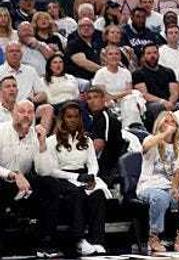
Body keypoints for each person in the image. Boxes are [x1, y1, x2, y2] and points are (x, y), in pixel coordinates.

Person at [36, 100, 108, 257]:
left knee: (98, 194)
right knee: (77, 193)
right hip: (62, 177)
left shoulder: (87, 140)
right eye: (69, 116)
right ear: (62, 119)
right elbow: (51, 170)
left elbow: (93, 164)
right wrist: (77, 177)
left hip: (84, 176)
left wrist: (91, 177)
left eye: (76, 116)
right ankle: (79, 240)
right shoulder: (51, 141)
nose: (73, 120)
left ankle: (97, 240)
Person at [137, 112, 179, 253]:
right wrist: (165, 134)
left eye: (172, 122)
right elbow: (146, 146)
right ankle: (153, 236)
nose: (170, 124)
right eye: (166, 121)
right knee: (161, 197)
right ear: (159, 124)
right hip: (149, 186)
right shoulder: (151, 139)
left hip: (169, 186)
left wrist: (175, 188)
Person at [0, 101, 49, 249]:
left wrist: (42, 143)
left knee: (50, 184)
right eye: (22, 111)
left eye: (30, 112)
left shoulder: (36, 135)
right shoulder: (1, 131)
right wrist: (13, 175)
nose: (26, 115)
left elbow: (43, 171)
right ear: (13, 113)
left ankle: (45, 241)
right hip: (3, 179)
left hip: (25, 182)